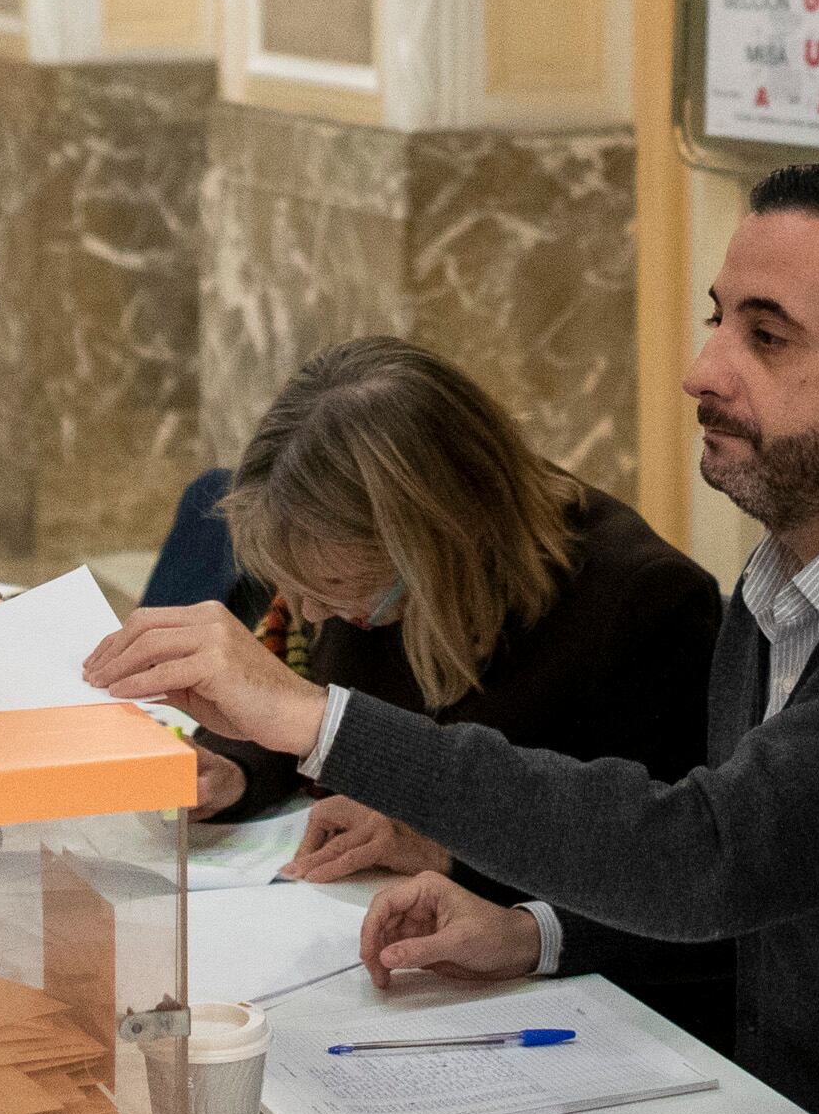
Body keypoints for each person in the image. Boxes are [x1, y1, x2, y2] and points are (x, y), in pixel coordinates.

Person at [90, 164, 819, 1114]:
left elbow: (714, 853)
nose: (701, 370)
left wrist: (313, 720)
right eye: (716, 322)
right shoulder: (784, 582)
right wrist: (535, 930)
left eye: (765, 334)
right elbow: (772, 902)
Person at [153, 336, 717, 880]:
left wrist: (449, 853)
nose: (310, 613)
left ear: (441, 540)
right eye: (294, 586)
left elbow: (664, 865)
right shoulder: (349, 564)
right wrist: (235, 770)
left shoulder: (645, 606)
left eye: (331, 587)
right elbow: (308, 701)